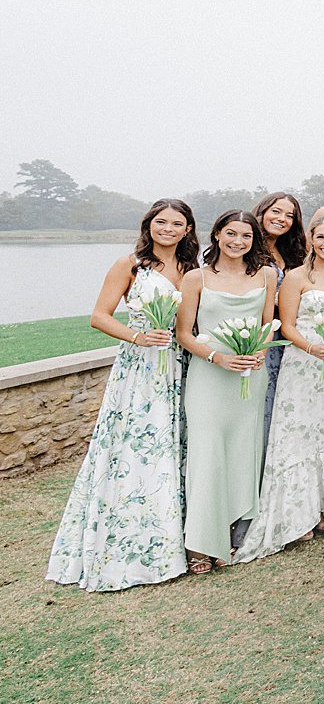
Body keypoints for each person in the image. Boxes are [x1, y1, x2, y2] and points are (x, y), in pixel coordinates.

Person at [47, 199, 199, 591]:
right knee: (138, 447)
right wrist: (138, 335)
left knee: (177, 444)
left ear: (187, 229)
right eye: (160, 221)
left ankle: (182, 536)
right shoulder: (130, 264)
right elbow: (99, 315)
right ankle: (129, 544)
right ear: (149, 225)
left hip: (181, 365)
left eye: (176, 223)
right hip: (141, 370)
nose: (168, 228)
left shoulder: (192, 268)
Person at [234, 214, 324, 562]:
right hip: (303, 363)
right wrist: (312, 348)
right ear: (311, 240)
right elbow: (286, 326)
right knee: (299, 431)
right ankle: (297, 513)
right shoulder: (297, 278)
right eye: (321, 237)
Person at [175, 210, 280, 572]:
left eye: (246, 236)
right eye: (231, 234)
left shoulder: (266, 274)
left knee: (242, 453)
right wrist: (219, 358)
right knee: (207, 455)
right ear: (217, 235)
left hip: (250, 377)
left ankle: (233, 533)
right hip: (209, 376)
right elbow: (184, 333)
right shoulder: (196, 278)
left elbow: (269, 325)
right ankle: (200, 543)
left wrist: (258, 353)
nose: (238, 242)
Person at [253, 192, 306, 450]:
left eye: (289, 216)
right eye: (276, 211)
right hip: (258, 335)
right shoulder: (247, 246)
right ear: (262, 211)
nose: (282, 219)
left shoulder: (292, 253)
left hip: (286, 339)